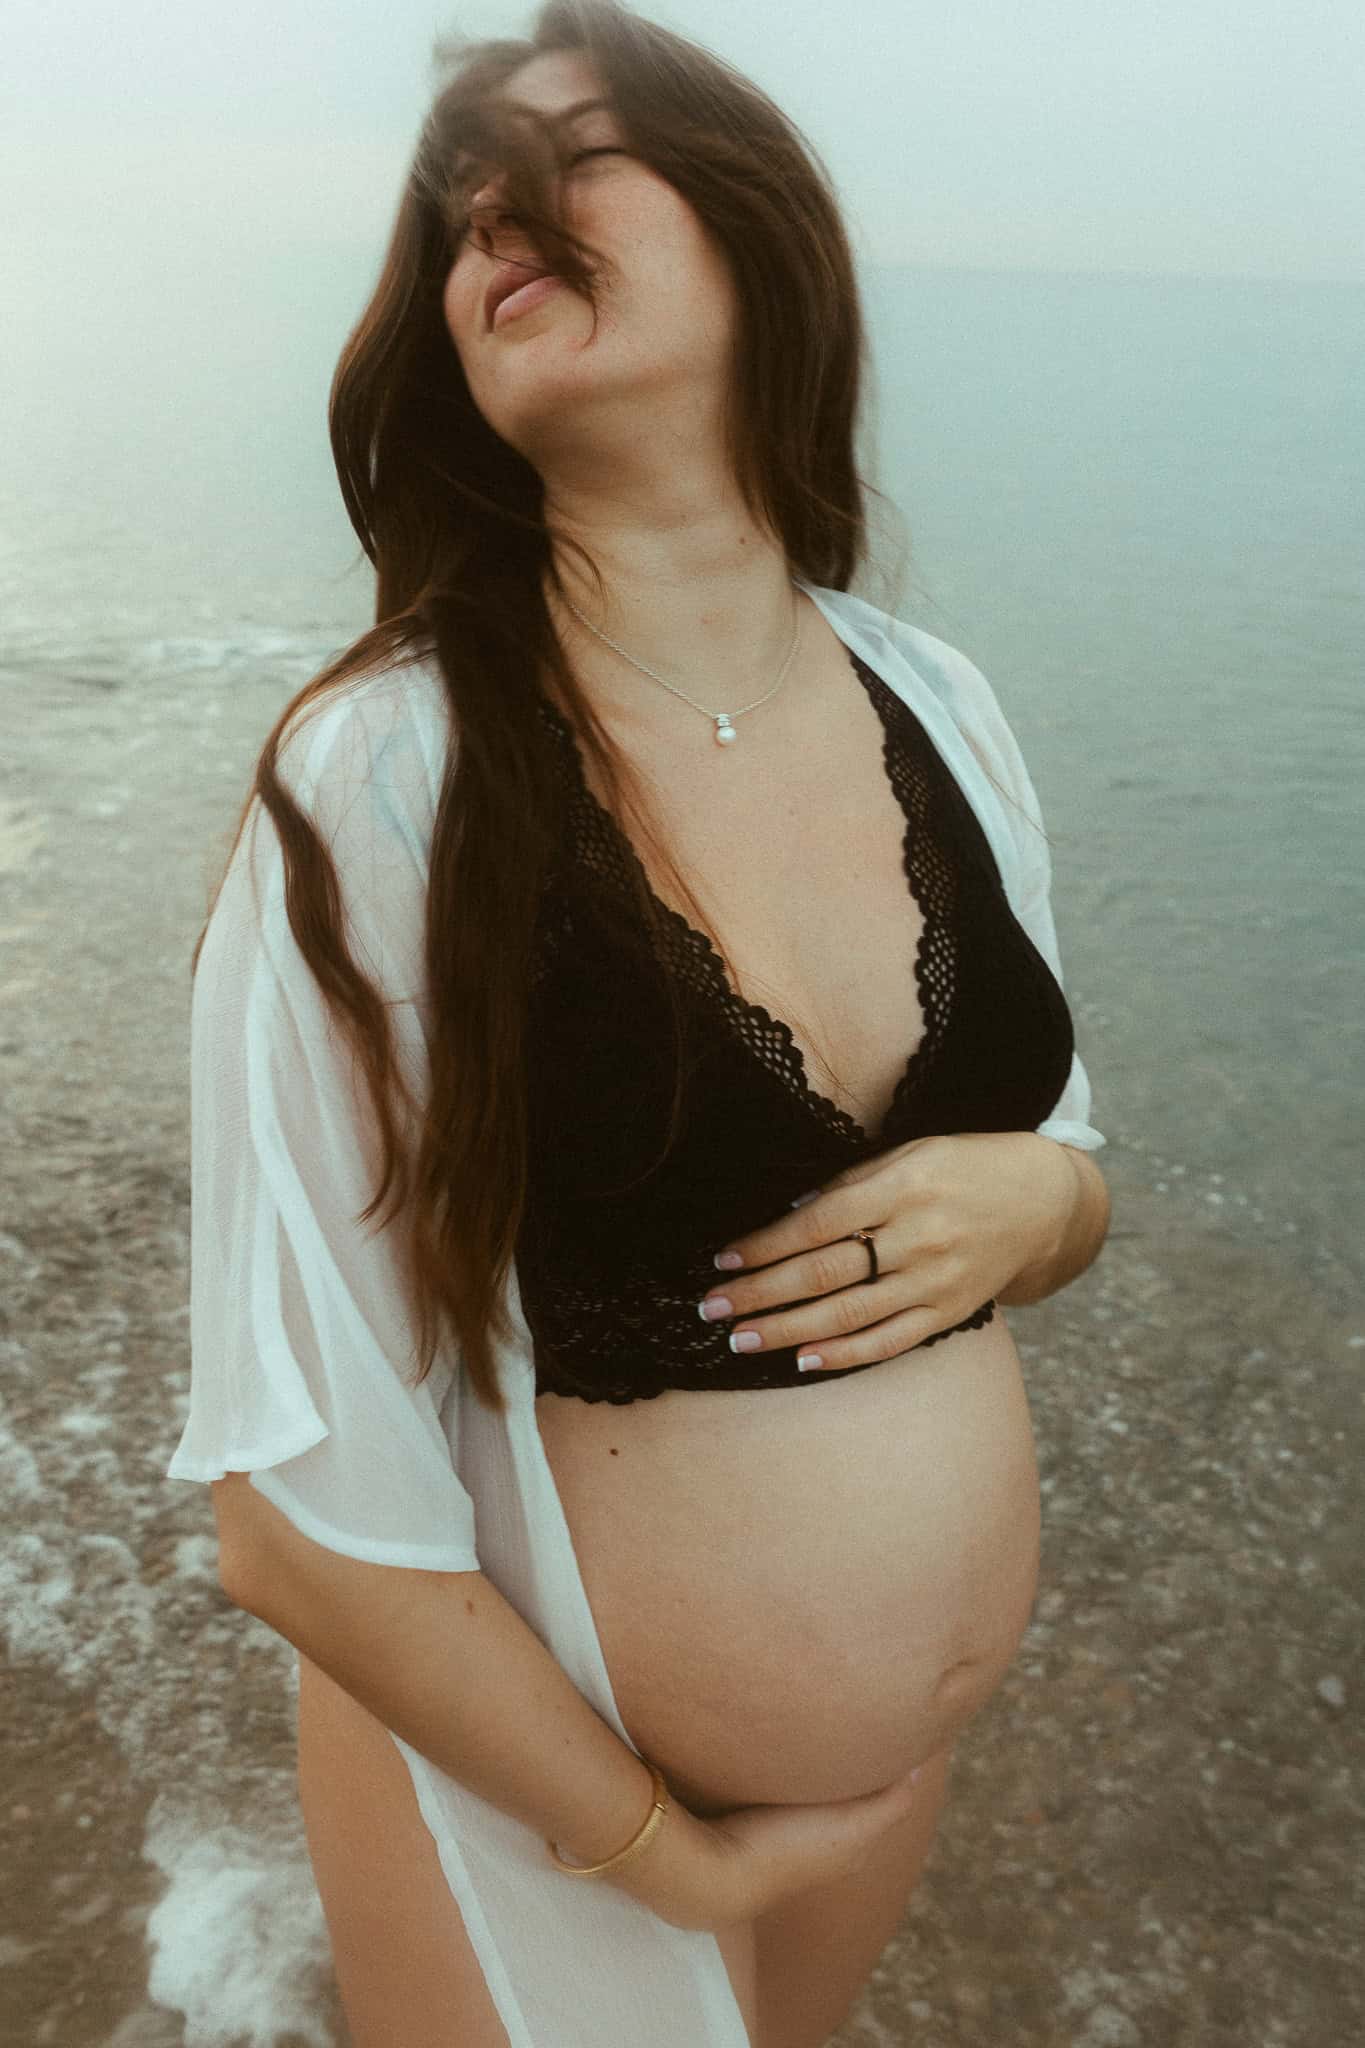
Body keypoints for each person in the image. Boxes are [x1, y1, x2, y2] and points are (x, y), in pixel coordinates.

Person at [166, 4, 1110, 2043]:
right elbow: (289, 1509)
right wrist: (654, 1848)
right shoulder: (383, 773)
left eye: (572, 154)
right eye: (457, 206)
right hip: (541, 1803)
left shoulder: (933, 700)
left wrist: (1037, 1211)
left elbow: (1065, 1160)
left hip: (871, 1786)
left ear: (765, 230)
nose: (495, 209)